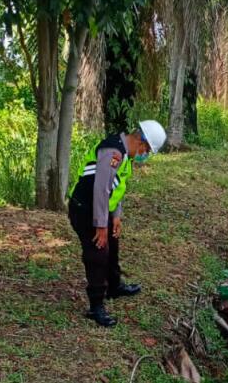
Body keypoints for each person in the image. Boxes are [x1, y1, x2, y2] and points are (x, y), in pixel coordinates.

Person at [68, 119, 166, 327]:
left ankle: (114, 286)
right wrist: (101, 225)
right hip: (85, 208)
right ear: (141, 142)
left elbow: (117, 186)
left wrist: (116, 216)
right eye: (147, 150)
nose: (145, 155)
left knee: (113, 244)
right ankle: (96, 305)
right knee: (98, 251)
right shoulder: (113, 152)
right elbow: (101, 190)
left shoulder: (125, 157)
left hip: (102, 209)